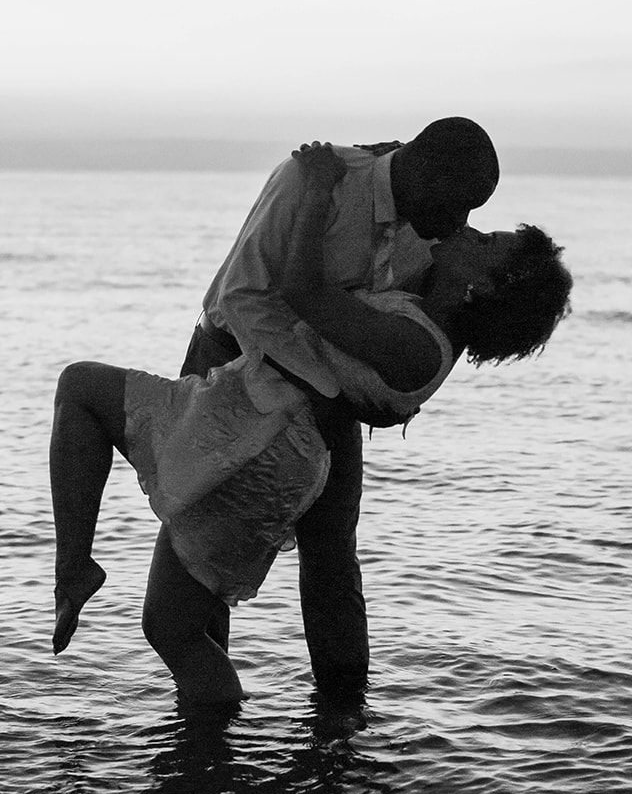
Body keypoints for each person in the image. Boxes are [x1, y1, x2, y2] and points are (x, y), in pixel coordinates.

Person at [48, 142, 572, 704]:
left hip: (269, 436)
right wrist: (363, 168)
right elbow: (275, 303)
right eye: (467, 218)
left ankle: (224, 736)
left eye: (485, 237)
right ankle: (281, 733)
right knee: (185, 604)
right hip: (262, 407)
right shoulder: (424, 283)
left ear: (485, 287)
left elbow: (305, 295)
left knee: (182, 618)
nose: (464, 228)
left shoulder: (423, 320)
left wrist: (321, 193)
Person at [146, 116, 503, 695]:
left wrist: (351, 392)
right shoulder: (313, 180)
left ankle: (342, 720)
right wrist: (321, 389)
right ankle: (206, 717)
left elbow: (399, 330)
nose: (462, 223)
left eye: (473, 210)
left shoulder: (429, 226)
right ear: (421, 168)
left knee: (333, 551)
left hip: (327, 389)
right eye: (460, 203)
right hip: (231, 362)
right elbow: (243, 299)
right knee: (202, 551)